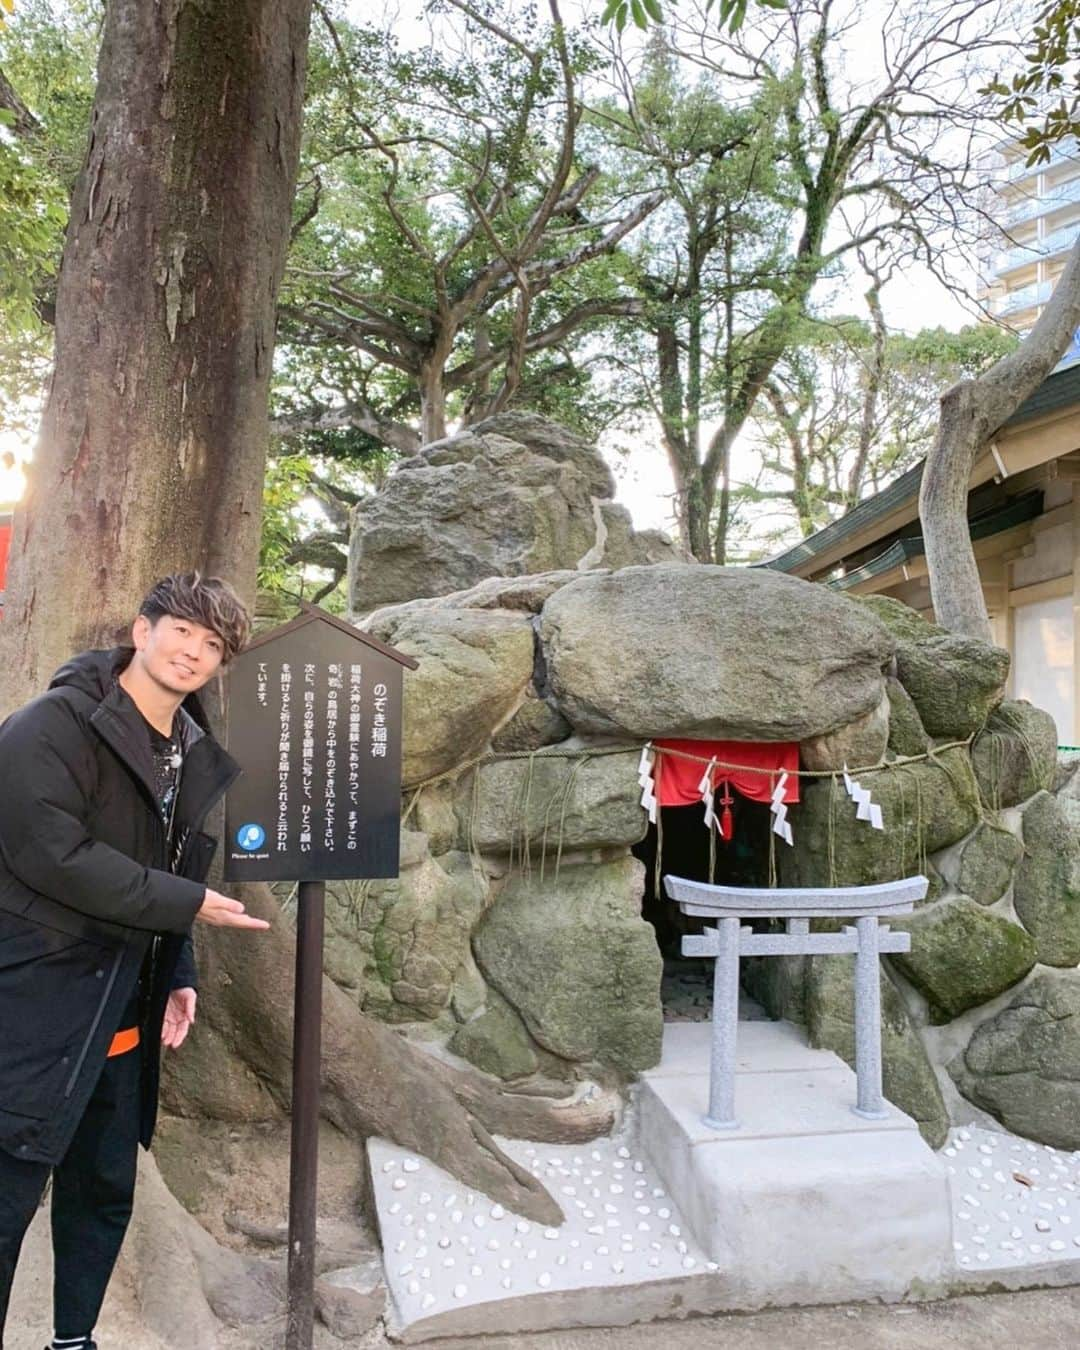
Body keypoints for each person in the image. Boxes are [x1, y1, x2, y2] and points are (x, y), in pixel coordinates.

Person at [0, 572, 270, 1350]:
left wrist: (176, 971)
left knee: (103, 1190)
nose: (194, 651)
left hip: (123, 1009)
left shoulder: (188, 750)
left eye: (213, 644)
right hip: (35, 1008)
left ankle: (73, 1339)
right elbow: (51, 853)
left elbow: (173, 865)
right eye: (181, 629)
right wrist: (182, 906)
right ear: (140, 629)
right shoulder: (52, 725)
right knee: (6, 1195)